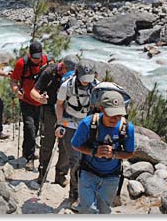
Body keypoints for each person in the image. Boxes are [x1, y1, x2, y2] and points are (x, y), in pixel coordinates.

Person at [71, 90, 135, 214]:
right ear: (101, 109)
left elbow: (129, 153)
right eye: (111, 114)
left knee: (104, 210)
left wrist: (114, 154)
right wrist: (93, 152)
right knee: (88, 209)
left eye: (118, 115)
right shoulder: (88, 124)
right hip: (88, 171)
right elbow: (75, 144)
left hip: (112, 176)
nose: (115, 118)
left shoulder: (127, 128)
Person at [30, 55, 79, 187]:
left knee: (65, 145)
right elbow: (33, 91)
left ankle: (61, 175)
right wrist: (40, 98)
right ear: (62, 66)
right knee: (47, 143)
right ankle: (42, 173)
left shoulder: (74, 76)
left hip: (68, 113)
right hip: (50, 111)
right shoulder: (49, 72)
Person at [55, 60, 98, 208]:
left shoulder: (95, 86)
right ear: (77, 74)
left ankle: (85, 192)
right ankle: (75, 194)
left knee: (87, 160)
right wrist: (59, 123)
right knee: (75, 160)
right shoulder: (66, 86)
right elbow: (59, 105)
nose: (86, 83)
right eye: (84, 79)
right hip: (70, 124)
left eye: (89, 79)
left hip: (87, 124)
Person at [10, 41, 48, 171]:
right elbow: (14, 81)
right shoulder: (22, 64)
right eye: (34, 57)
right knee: (29, 127)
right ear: (29, 54)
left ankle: (27, 152)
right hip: (26, 100)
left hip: (40, 102)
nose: (37, 60)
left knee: (35, 128)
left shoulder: (45, 61)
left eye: (39, 57)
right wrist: (16, 91)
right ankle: (29, 158)